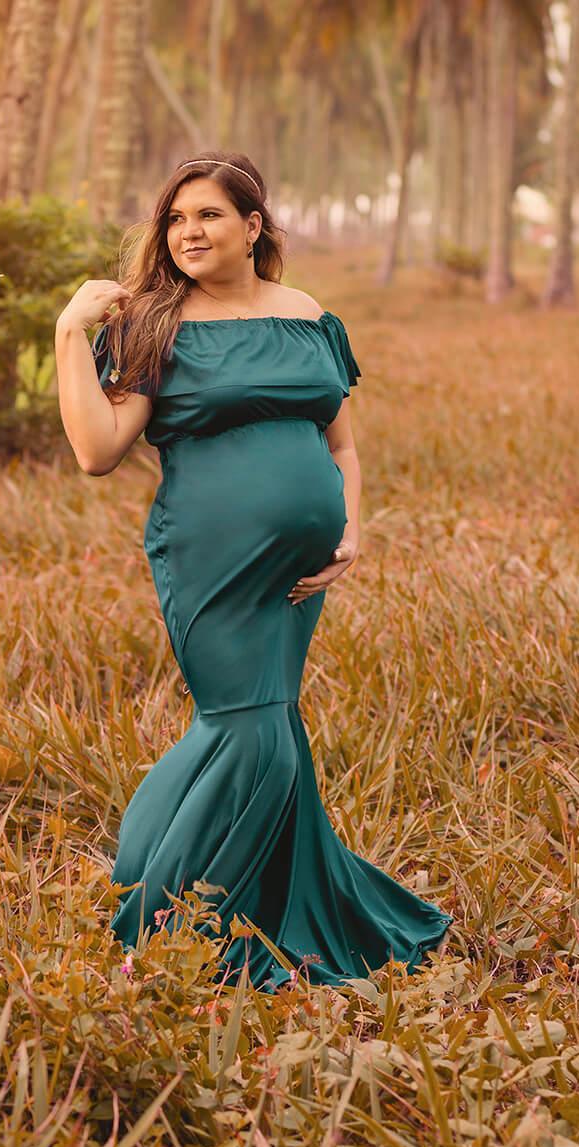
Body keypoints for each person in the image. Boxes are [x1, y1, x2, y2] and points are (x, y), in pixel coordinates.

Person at [54, 151, 454, 992]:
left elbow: (340, 444)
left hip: (301, 570)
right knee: (248, 728)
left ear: (253, 226)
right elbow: (96, 451)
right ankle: (163, 922)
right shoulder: (154, 326)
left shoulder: (307, 314)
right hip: (210, 560)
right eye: (175, 219)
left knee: (270, 725)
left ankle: (286, 910)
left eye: (207, 215)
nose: (188, 232)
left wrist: (351, 527)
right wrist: (68, 333)